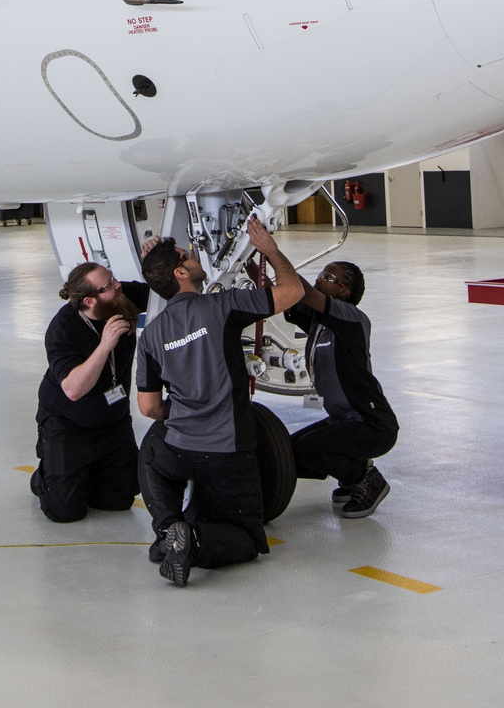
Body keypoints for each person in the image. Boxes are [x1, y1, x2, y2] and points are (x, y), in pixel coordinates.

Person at [135, 217, 305, 587]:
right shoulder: (221, 307)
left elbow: (148, 408)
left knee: (154, 458)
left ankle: (167, 528)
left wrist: (180, 414)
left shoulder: (150, 335)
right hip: (228, 451)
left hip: (179, 448)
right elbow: (292, 292)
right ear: (181, 272)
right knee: (247, 537)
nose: (195, 256)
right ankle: (192, 541)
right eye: (187, 255)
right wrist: (270, 251)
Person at [30, 261, 150, 522]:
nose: (118, 285)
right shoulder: (63, 329)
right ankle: (44, 476)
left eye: (113, 278)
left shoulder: (119, 298)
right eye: (109, 285)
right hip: (69, 424)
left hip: (113, 421)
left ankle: (88, 470)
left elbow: (164, 290)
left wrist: (155, 258)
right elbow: (73, 390)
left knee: (119, 499)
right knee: (65, 511)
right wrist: (105, 346)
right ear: (90, 301)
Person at [284, 259, 397, 518]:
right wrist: (251, 262)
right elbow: (288, 292)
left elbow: (304, 291)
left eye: (328, 277)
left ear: (345, 291)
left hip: (372, 424)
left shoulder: (351, 318)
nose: (319, 279)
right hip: (341, 420)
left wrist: (272, 250)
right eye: (321, 274)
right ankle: (351, 470)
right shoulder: (319, 320)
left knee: (308, 449)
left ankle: (366, 479)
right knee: (289, 452)